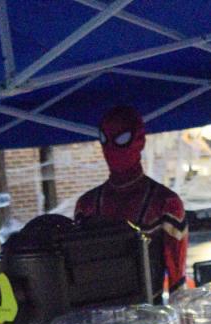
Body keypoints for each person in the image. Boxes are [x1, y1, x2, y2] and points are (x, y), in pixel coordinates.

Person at [75, 105, 188, 301]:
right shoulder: (87, 205)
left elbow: (177, 279)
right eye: (104, 139)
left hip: (149, 318)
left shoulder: (165, 203)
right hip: (97, 318)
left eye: (121, 139)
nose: (110, 148)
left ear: (140, 140)